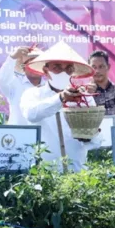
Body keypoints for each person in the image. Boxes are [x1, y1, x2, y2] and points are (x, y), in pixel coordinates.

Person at [21, 42, 100, 173]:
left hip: (77, 172)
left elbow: (96, 141)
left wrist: (90, 136)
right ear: (45, 71)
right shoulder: (33, 94)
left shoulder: (85, 97)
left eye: (68, 68)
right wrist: (61, 98)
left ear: (73, 72)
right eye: (57, 67)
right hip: (46, 173)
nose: (63, 72)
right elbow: (31, 114)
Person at [0, 45, 42, 125]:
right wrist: (12, 57)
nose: (34, 68)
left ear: (44, 67)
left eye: (37, 64)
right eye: (30, 64)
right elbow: (2, 79)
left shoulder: (49, 86)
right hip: (17, 132)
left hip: (43, 132)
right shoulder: (14, 84)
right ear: (23, 67)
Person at [88, 50, 115, 126]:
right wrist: (87, 96)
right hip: (95, 133)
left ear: (108, 67)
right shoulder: (85, 95)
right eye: (94, 67)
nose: (97, 71)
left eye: (101, 66)